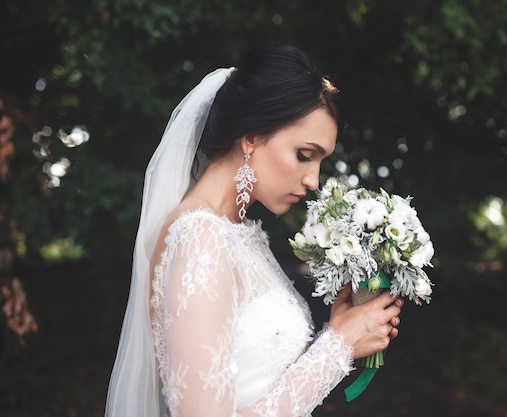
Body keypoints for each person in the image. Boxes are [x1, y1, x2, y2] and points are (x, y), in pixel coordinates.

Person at [104, 44, 403, 417]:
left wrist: (341, 332)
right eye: (304, 155)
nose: (313, 180)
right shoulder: (200, 238)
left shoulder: (237, 232)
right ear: (251, 136)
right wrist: (338, 347)